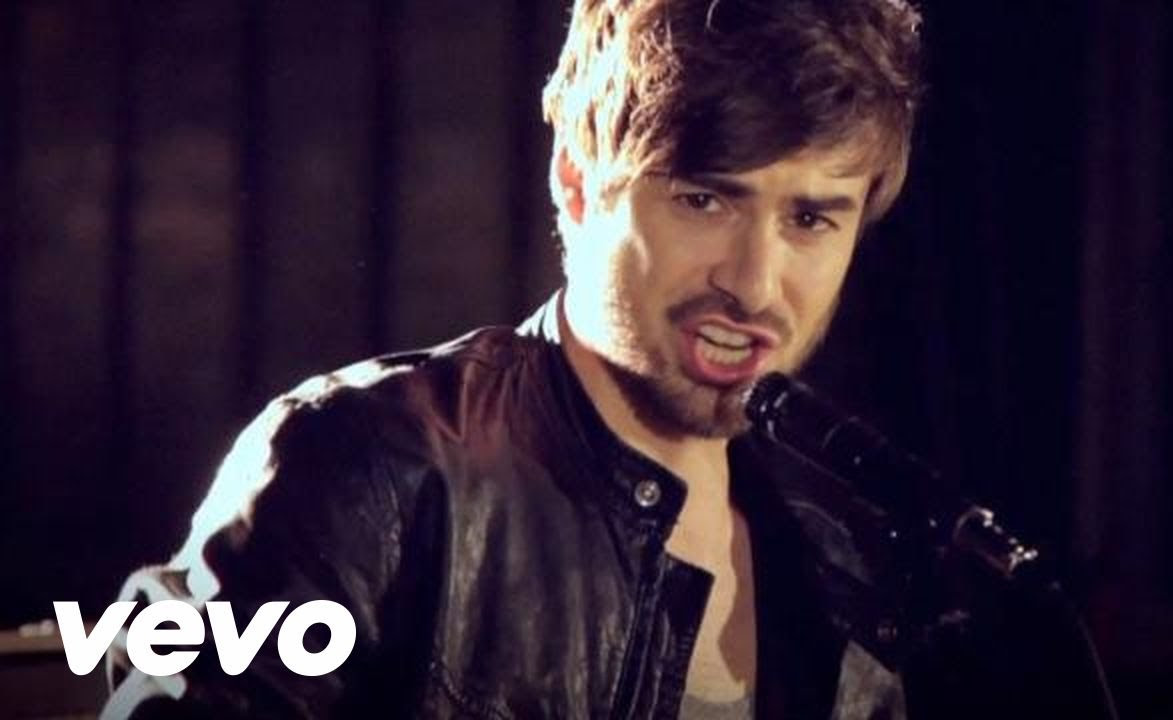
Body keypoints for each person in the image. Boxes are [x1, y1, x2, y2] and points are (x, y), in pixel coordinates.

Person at [102, 0, 923, 716]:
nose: (753, 285)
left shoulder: (850, 566)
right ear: (576, 182)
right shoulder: (369, 470)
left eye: (811, 220)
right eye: (703, 199)